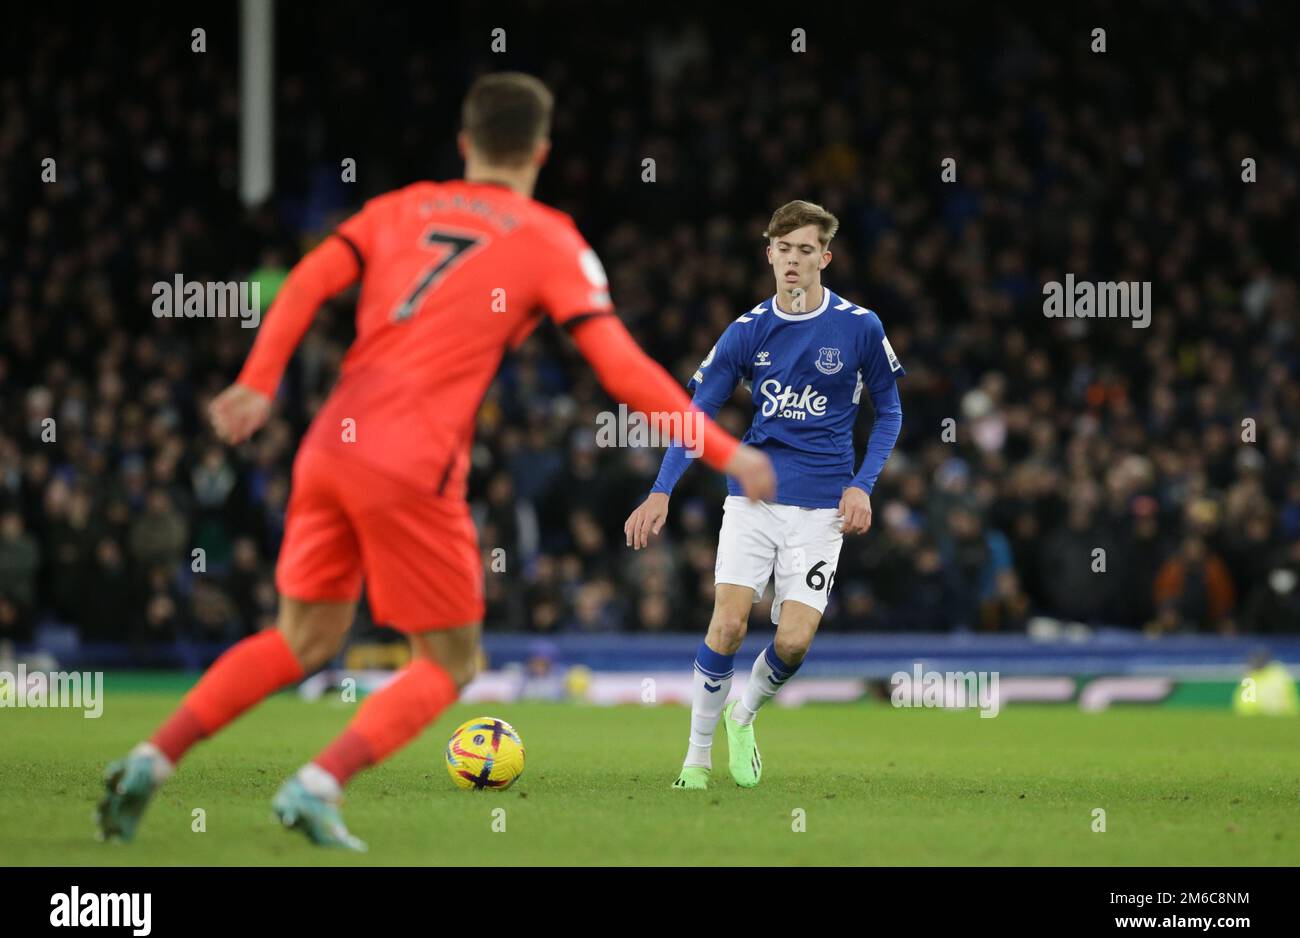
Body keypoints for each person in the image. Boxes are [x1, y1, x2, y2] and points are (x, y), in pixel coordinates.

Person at [97, 72, 774, 850]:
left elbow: (307, 280)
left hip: (328, 447)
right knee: (450, 661)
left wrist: (258, 383)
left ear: (465, 144)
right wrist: (725, 449)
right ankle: (318, 785)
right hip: (412, 463)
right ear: (541, 151)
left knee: (303, 640)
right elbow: (620, 369)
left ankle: (153, 757)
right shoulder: (548, 237)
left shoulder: (399, 208)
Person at [624, 200, 903, 789]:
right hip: (752, 499)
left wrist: (862, 485)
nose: (794, 260)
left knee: (795, 642)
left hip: (823, 505)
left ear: (825, 257)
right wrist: (661, 490)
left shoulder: (860, 327)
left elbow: (890, 412)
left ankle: (743, 712)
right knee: (726, 625)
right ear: (769, 253)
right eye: (784, 248)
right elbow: (696, 415)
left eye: (806, 249)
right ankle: (695, 761)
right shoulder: (747, 331)